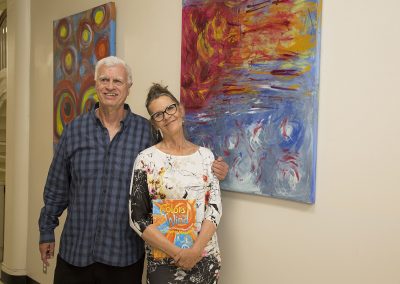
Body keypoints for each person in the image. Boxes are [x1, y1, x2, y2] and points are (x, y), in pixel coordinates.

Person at [38, 56, 228, 284]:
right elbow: (57, 187)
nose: (110, 86)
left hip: (123, 257)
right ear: (96, 84)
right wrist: (47, 231)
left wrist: (215, 168)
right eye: (104, 80)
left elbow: (178, 153)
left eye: (117, 81)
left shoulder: (146, 132)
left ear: (128, 87)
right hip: (75, 254)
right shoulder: (74, 130)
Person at [129, 83, 222, 283]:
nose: (167, 116)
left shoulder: (206, 157)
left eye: (170, 108)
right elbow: (137, 218)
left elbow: (214, 210)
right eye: (158, 114)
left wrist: (195, 251)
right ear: (154, 123)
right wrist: (178, 253)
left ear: (180, 109)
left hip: (205, 259)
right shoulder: (146, 160)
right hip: (164, 263)